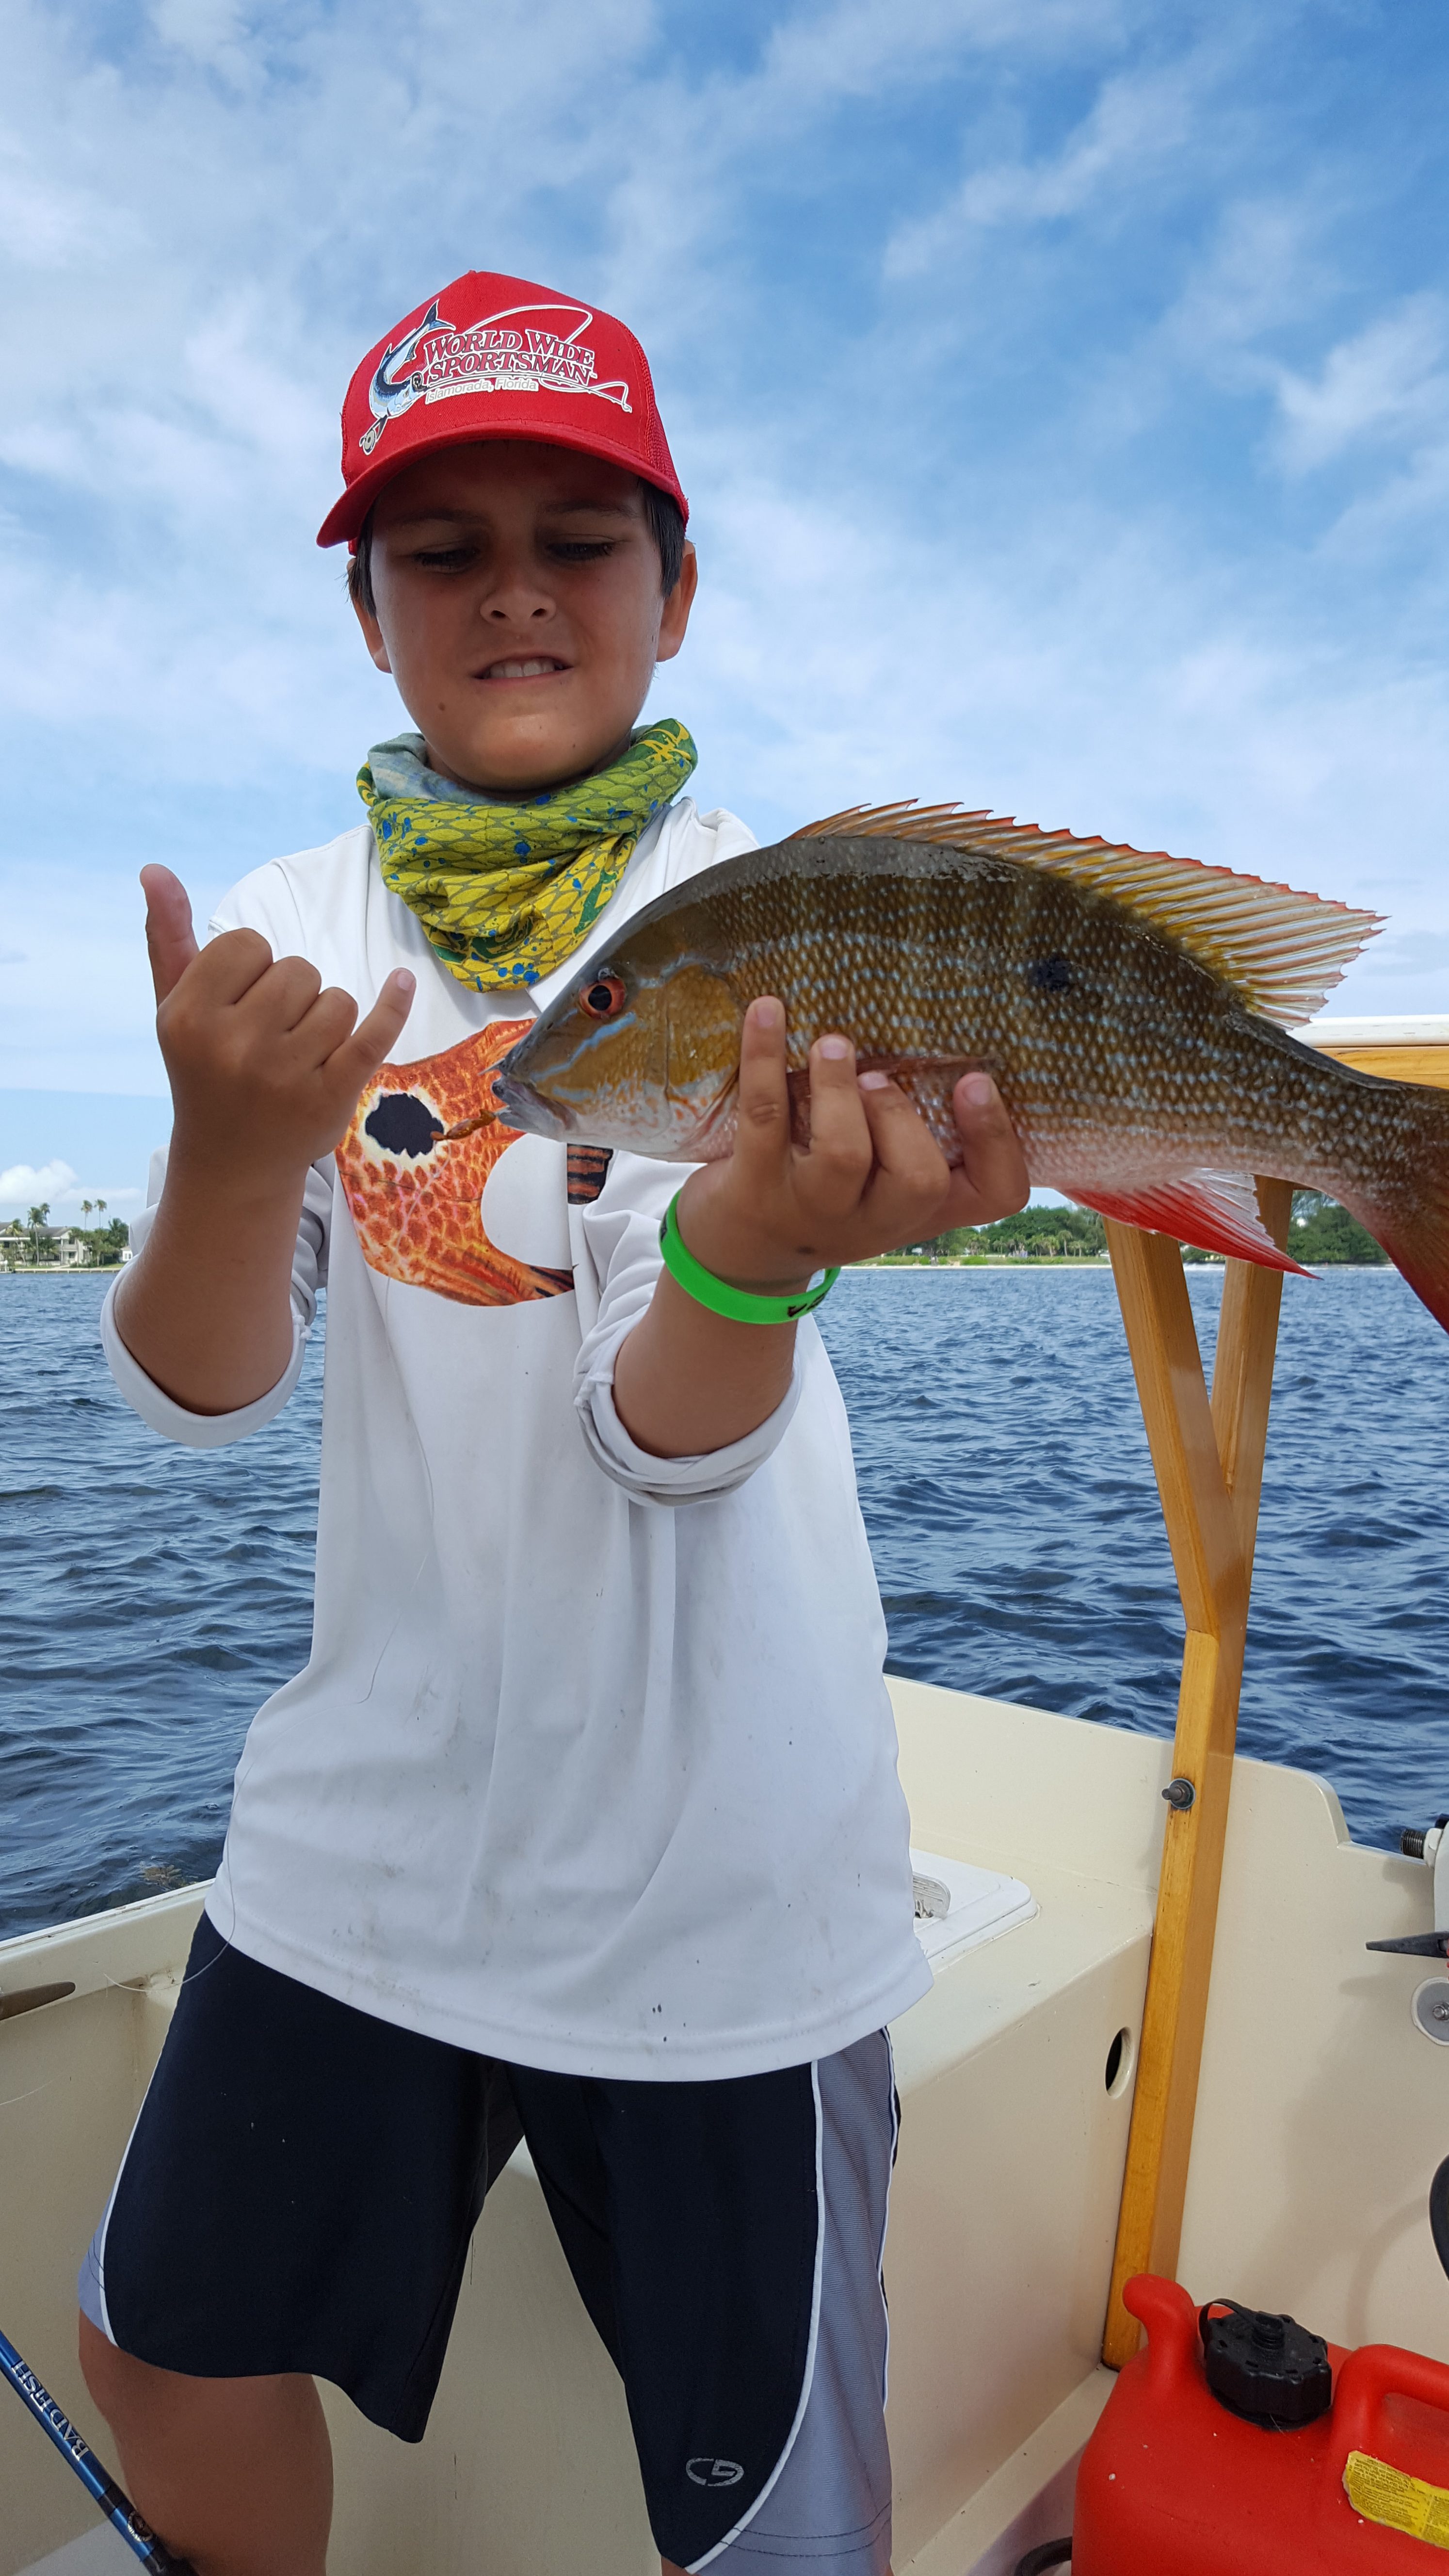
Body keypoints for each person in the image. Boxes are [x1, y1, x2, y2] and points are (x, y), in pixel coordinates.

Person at [77, 268, 1029, 2576]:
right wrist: (221, 1156)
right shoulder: (290, 945)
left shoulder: (761, 930)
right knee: (154, 2341)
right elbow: (203, 1394)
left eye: (580, 535)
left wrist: (758, 1253)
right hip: (361, 1844)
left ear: (677, 592)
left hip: (727, 1885)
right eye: (442, 543)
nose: (513, 583)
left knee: (776, 2514)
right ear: (368, 611)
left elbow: (661, 1429)